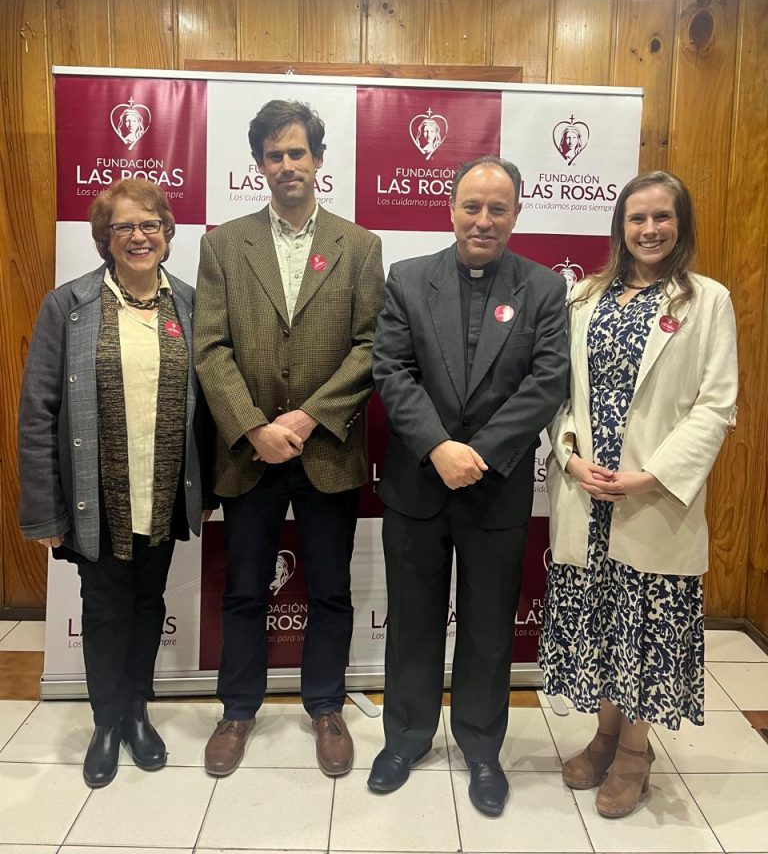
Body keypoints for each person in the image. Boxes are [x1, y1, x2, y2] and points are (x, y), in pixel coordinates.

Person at [369, 155, 569, 816]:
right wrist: (439, 447)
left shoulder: (544, 288)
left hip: (495, 486)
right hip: (418, 484)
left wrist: (475, 455)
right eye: (472, 206)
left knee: (487, 629)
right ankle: (406, 738)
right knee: (413, 622)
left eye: (498, 209)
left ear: (516, 214)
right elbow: (392, 371)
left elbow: (547, 382)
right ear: (450, 208)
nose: (484, 220)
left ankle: (482, 748)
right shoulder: (407, 279)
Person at [194, 99, 385, 779]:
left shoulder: (360, 245)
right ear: (259, 165)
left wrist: (306, 419)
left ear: (319, 160)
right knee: (245, 589)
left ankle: (326, 706)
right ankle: (237, 710)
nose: (286, 165)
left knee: (331, 589)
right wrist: (253, 426)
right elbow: (210, 347)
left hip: (326, 449)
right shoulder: (223, 244)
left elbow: (371, 346)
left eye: (297, 152)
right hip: (249, 452)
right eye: (273, 155)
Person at [540, 171, 738, 819]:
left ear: (681, 225)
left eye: (662, 217)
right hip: (588, 497)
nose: (649, 230)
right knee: (601, 626)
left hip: (654, 499)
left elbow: (716, 405)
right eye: (637, 218)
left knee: (645, 631)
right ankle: (603, 735)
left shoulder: (706, 301)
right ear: (619, 226)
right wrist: (570, 456)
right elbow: (560, 392)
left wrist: (651, 476)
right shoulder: (584, 296)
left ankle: (633, 752)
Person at [17, 180, 215, 788]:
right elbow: (38, 412)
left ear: (168, 234)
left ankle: (136, 711)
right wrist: (45, 511)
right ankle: (106, 723)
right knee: (104, 608)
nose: (138, 236)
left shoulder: (190, 304)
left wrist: (206, 492)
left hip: (163, 491)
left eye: (150, 225)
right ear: (104, 238)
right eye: (123, 227)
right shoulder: (68, 305)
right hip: (94, 496)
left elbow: (208, 408)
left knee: (149, 603)